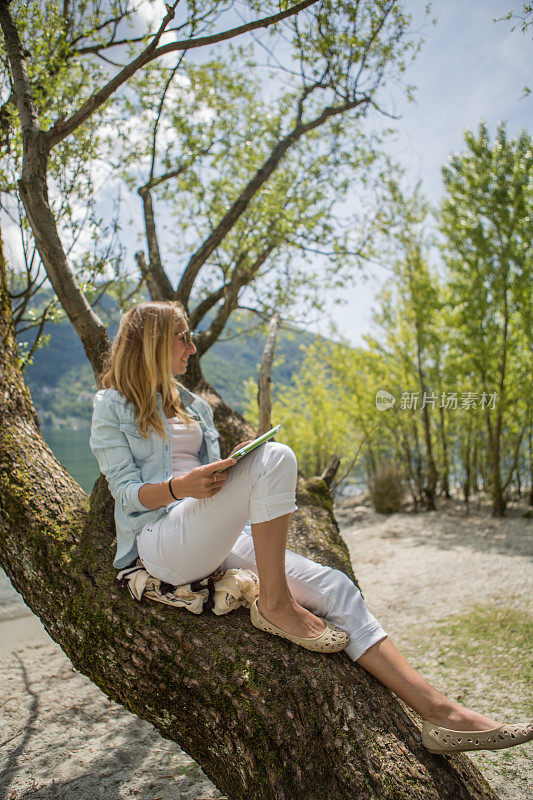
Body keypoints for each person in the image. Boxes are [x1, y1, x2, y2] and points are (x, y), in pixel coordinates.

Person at [90, 300, 532, 756]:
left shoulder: (196, 407)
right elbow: (124, 492)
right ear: (155, 341)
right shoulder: (112, 405)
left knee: (336, 587)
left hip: (208, 534)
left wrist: (232, 468)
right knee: (277, 457)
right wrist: (182, 485)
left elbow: (211, 483)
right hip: (161, 541)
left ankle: (443, 716)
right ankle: (275, 604)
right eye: (183, 335)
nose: (192, 346)